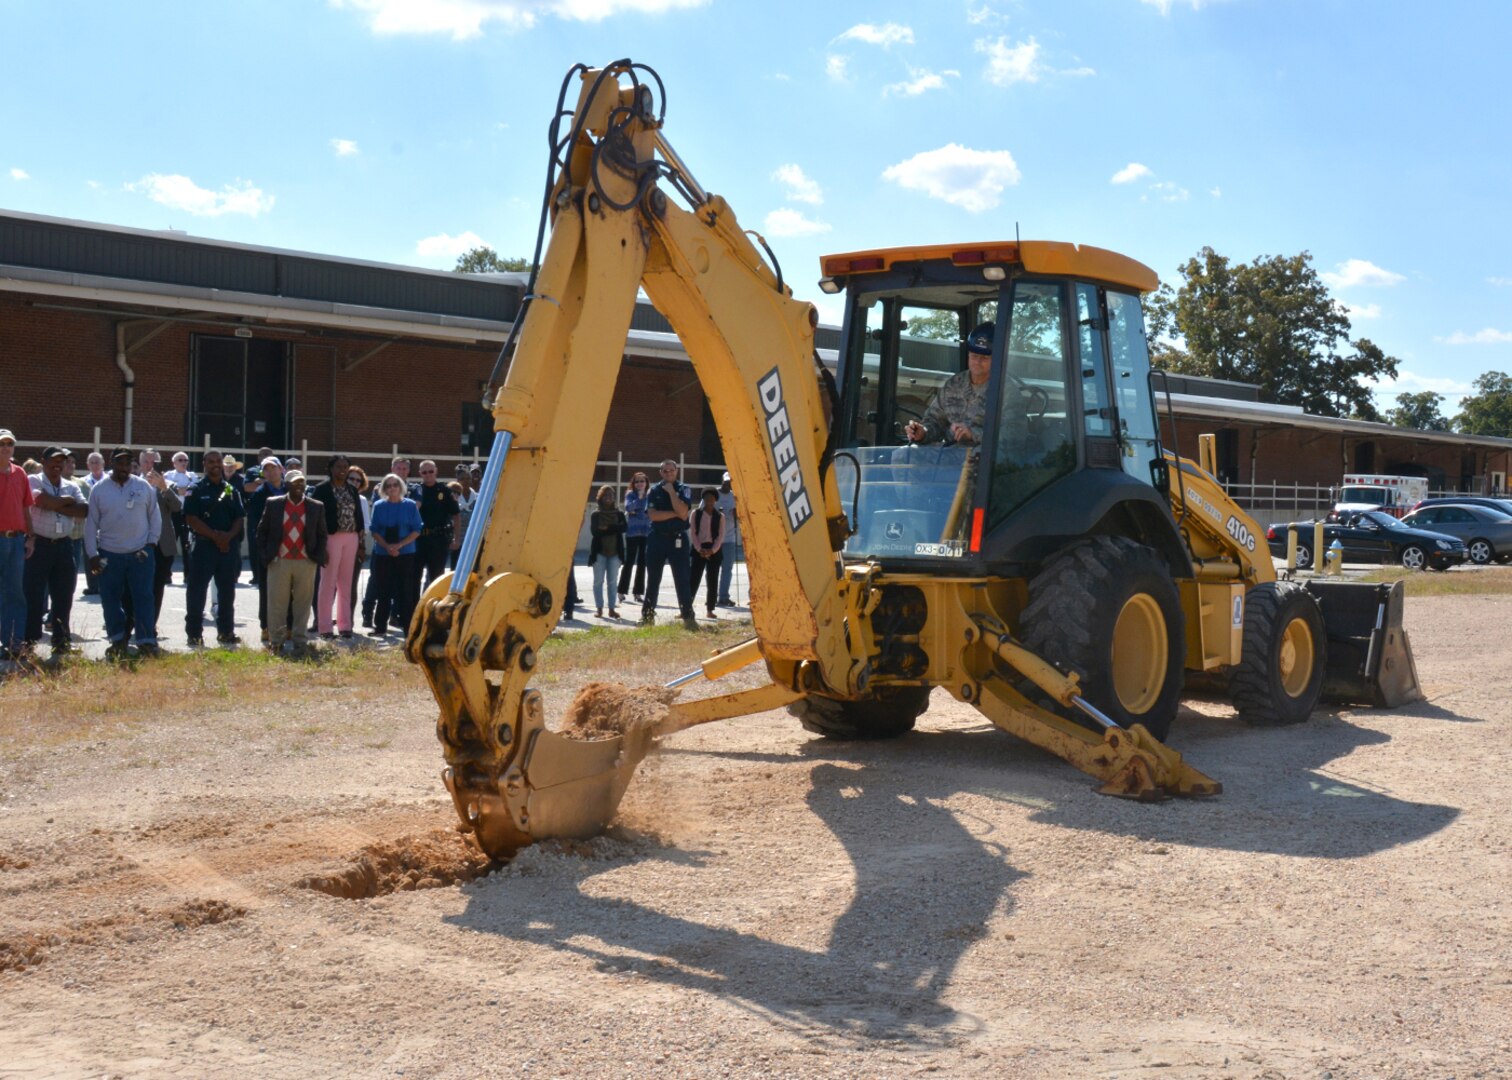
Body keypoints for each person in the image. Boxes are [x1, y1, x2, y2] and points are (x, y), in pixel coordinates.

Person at [84, 446, 161, 658]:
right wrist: (92, 554)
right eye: (119, 462)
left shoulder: (144, 487)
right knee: (110, 599)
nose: (124, 467)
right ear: (111, 463)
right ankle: (117, 640)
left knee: (144, 597)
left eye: (127, 463)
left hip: (140, 554)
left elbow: (155, 517)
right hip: (110, 554)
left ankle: (146, 640)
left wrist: (151, 545)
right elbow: (91, 524)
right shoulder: (99, 489)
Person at [255, 470, 328, 655]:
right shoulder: (274, 504)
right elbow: (261, 531)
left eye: (302, 483)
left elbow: (322, 534)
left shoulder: (316, 506)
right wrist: (266, 556)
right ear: (286, 485)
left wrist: (316, 557)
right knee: (277, 604)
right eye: (295, 483)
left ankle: (300, 643)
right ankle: (276, 642)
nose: (299, 486)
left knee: (302, 604)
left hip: (305, 561)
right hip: (280, 561)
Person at [25, 447, 87, 652]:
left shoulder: (70, 485)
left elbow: (83, 510)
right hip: (39, 545)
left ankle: (61, 640)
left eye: (62, 461)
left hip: (64, 545)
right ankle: (30, 639)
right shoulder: (34, 480)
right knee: (33, 594)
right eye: (53, 460)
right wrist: (65, 502)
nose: (58, 465)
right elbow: (39, 500)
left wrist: (53, 504)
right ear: (43, 461)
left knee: (63, 595)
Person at [183, 449, 245, 647]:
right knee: (197, 591)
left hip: (227, 547)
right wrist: (215, 536)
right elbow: (191, 518)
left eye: (218, 461)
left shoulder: (231, 489)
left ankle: (226, 632)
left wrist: (227, 537)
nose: (216, 465)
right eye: (211, 462)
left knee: (227, 592)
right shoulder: (196, 489)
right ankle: (194, 633)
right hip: (204, 547)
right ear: (204, 464)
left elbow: (238, 518)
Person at [904, 321, 995, 446]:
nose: (978, 361)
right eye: (974, 355)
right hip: (949, 455)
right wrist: (922, 432)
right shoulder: (954, 384)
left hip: (983, 459)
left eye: (985, 358)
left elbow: (1014, 435)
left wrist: (973, 434)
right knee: (902, 455)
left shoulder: (1005, 391)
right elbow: (935, 421)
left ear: (997, 359)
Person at [311, 456, 364, 639]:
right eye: (338, 466)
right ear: (331, 468)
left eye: (345, 467)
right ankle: (324, 626)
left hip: (352, 538)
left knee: (346, 584)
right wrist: (321, 545)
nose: (342, 469)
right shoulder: (321, 490)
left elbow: (359, 516)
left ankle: (345, 625)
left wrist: (361, 543)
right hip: (331, 538)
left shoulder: (352, 490)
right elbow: (315, 519)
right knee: (327, 584)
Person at [640, 460, 697, 629]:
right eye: (665, 471)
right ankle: (648, 616)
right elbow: (653, 515)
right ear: (660, 473)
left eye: (671, 470)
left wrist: (672, 493)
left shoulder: (683, 489)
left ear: (676, 471)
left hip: (678, 539)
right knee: (653, 579)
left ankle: (688, 617)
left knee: (682, 579)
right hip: (657, 538)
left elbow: (684, 513)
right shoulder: (654, 490)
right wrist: (676, 513)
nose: (668, 473)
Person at [367, 473, 421, 636]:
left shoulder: (411, 505)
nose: (392, 488)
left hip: (406, 554)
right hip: (383, 554)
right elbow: (374, 530)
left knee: (405, 592)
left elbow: (417, 529)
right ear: (384, 489)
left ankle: (408, 629)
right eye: (388, 486)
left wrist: (399, 545)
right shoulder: (378, 505)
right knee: (383, 590)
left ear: (401, 487)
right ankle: (380, 627)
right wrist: (387, 546)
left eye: (395, 485)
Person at [0, 429, 36, 660]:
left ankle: (13, 644)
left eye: (9, 444)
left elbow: (26, 507)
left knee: (15, 593)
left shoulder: (20, 473)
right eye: (1, 444)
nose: (5, 448)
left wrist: (30, 537)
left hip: (16, 541)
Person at [243, 458, 285, 643]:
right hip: (269, 549)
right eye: (266, 470)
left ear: (281, 469)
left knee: (289, 589)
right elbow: (257, 525)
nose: (270, 472)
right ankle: (266, 626)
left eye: (273, 468)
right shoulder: (260, 494)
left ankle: (287, 626)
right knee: (267, 590)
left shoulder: (290, 490)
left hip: (290, 548)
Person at [413, 460, 460, 593]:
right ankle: (414, 610)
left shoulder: (445, 491)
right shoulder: (416, 491)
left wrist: (457, 539)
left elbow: (456, 515)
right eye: (424, 472)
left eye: (431, 471)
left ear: (436, 471)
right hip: (419, 540)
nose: (428, 474)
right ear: (420, 473)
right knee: (414, 577)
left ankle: (432, 610)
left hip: (438, 540)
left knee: (436, 579)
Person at [588, 485, 627, 619]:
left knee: (612, 582)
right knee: (598, 581)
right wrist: (614, 528)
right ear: (600, 497)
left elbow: (624, 528)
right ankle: (599, 608)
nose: (608, 498)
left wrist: (608, 527)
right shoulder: (595, 514)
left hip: (615, 553)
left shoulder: (619, 514)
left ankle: (611, 609)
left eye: (611, 495)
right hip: (599, 552)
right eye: (606, 495)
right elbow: (595, 532)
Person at [687, 487, 726, 619]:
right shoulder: (695, 514)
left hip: (714, 550)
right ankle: (686, 608)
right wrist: (699, 549)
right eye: (707, 498)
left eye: (712, 498)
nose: (709, 500)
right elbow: (693, 533)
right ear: (703, 499)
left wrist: (712, 550)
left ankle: (710, 609)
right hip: (699, 548)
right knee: (693, 579)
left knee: (712, 580)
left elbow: (720, 536)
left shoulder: (720, 516)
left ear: (715, 500)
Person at [617, 471, 651, 605]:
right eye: (637, 481)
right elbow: (628, 507)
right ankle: (621, 591)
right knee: (630, 561)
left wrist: (637, 511)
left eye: (642, 481)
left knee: (642, 562)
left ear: (646, 483)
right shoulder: (630, 494)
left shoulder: (650, 494)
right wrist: (639, 500)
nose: (639, 484)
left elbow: (650, 510)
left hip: (646, 531)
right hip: (632, 532)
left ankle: (638, 592)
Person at [715, 471, 741, 607]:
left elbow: (741, 517)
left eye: (730, 483)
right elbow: (702, 513)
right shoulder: (713, 495)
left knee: (727, 568)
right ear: (721, 481)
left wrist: (737, 514)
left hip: (729, 538)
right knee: (712, 569)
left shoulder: (735, 497)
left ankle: (723, 596)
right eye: (725, 482)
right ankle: (712, 596)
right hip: (713, 539)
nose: (727, 485)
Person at [451, 465, 477, 569]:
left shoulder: (478, 498)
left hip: (473, 542)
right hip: (457, 541)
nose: (465, 481)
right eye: (462, 479)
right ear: (457, 480)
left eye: (468, 478)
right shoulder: (452, 499)